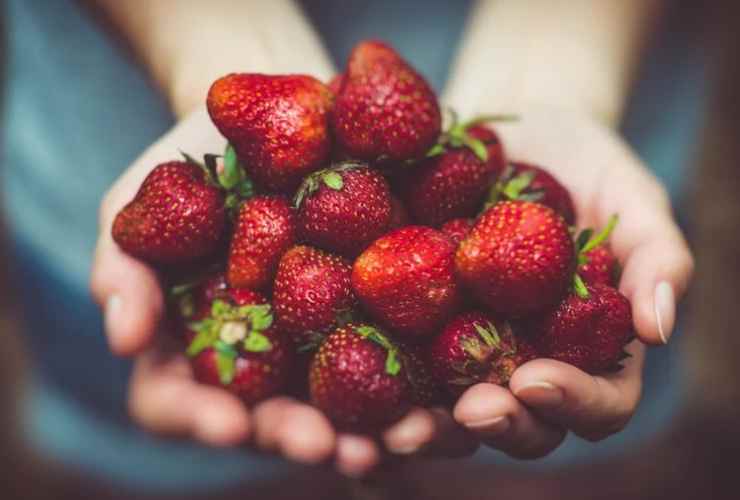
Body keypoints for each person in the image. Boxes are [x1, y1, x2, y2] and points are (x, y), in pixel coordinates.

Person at [3, 0, 695, 492]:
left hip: (605, 64)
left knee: (552, 468)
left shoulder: (452, 245)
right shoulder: (328, 242)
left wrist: (553, 78)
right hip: (96, 133)